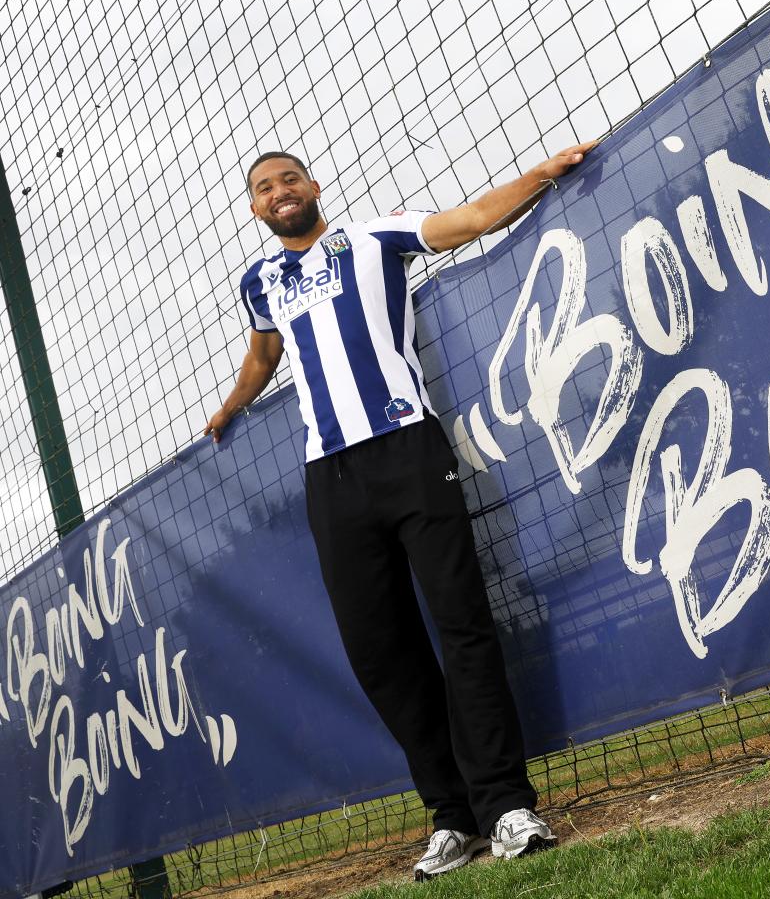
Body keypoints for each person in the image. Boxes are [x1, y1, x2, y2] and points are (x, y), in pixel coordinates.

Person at [203, 141, 596, 878]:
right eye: (263, 188)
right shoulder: (260, 282)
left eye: (289, 178)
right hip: (332, 479)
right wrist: (230, 406)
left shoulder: (372, 238)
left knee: (462, 624)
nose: (279, 191)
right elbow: (264, 354)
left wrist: (540, 173)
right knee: (381, 654)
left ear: (313, 185)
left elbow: (472, 218)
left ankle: (506, 805)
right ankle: (452, 817)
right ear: (255, 209)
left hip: (409, 451)